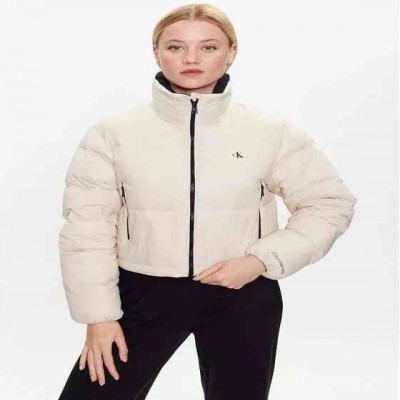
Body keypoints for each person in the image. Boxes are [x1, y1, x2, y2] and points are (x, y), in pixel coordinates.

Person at [56, 3, 357, 399]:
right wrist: (99, 315)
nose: (192, 58)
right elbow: (86, 229)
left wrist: (260, 260)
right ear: (156, 53)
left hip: (241, 292)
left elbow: (330, 203)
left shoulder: (269, 132)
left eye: (208, 47)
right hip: (142, 294)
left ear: (231, 52)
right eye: (176, 47)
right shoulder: (113, 135)